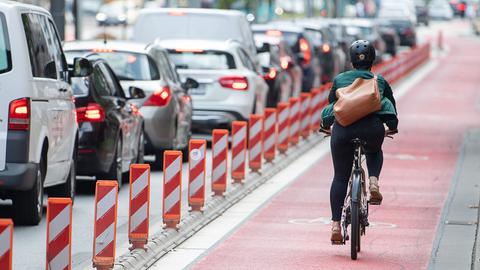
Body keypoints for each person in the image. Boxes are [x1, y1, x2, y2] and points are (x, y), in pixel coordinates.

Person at [320, 40, 398, 243]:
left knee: (339, 178)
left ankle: (336, 225)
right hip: (371, 129)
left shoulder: (339, 80)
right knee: (374, 151)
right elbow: (389, 106)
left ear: (351, 61)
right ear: (373, 60)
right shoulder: (378, 81)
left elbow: (332, 106)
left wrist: (326, 126)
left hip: (343, 131)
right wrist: (392, 126)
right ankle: (373, 182)